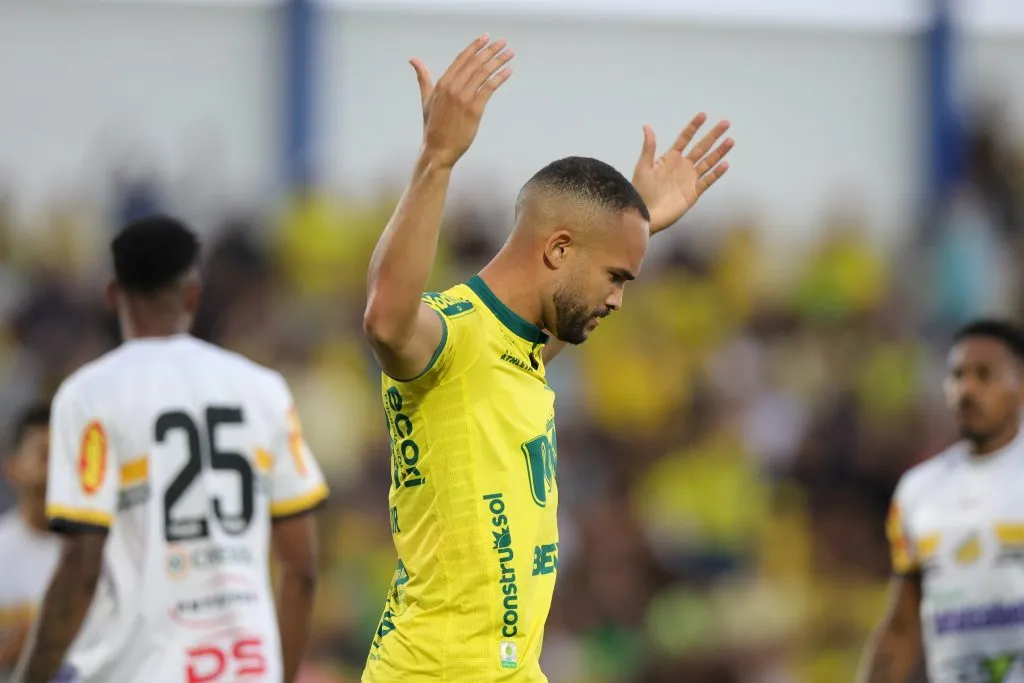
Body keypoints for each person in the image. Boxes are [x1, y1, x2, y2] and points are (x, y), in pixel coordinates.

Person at [361, 35, 733, 682]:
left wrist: (639, 223)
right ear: (559, 249)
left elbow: (538, 335)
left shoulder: (518, 347)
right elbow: (387, 319)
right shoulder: (451, 336)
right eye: (616, 276)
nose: (618, 301)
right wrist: (438, 159)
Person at [11, 216, 329, 683]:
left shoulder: (89, 396)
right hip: (245, 669)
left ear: (113, 295)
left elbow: (81, 564)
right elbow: (301, 569)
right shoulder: (264, 390)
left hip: (140, 669)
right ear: (194, 294)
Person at [856, 319, 1024, 682]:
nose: (967, 389)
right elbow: (902, 626)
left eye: (985, 375)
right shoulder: (919, 490)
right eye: (957, 375)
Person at [0, 404, 60, 679]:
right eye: (45, 455)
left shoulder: (101, 551)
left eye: (65, 457)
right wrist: (16, 647)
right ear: (12, 467)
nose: (57, 471)